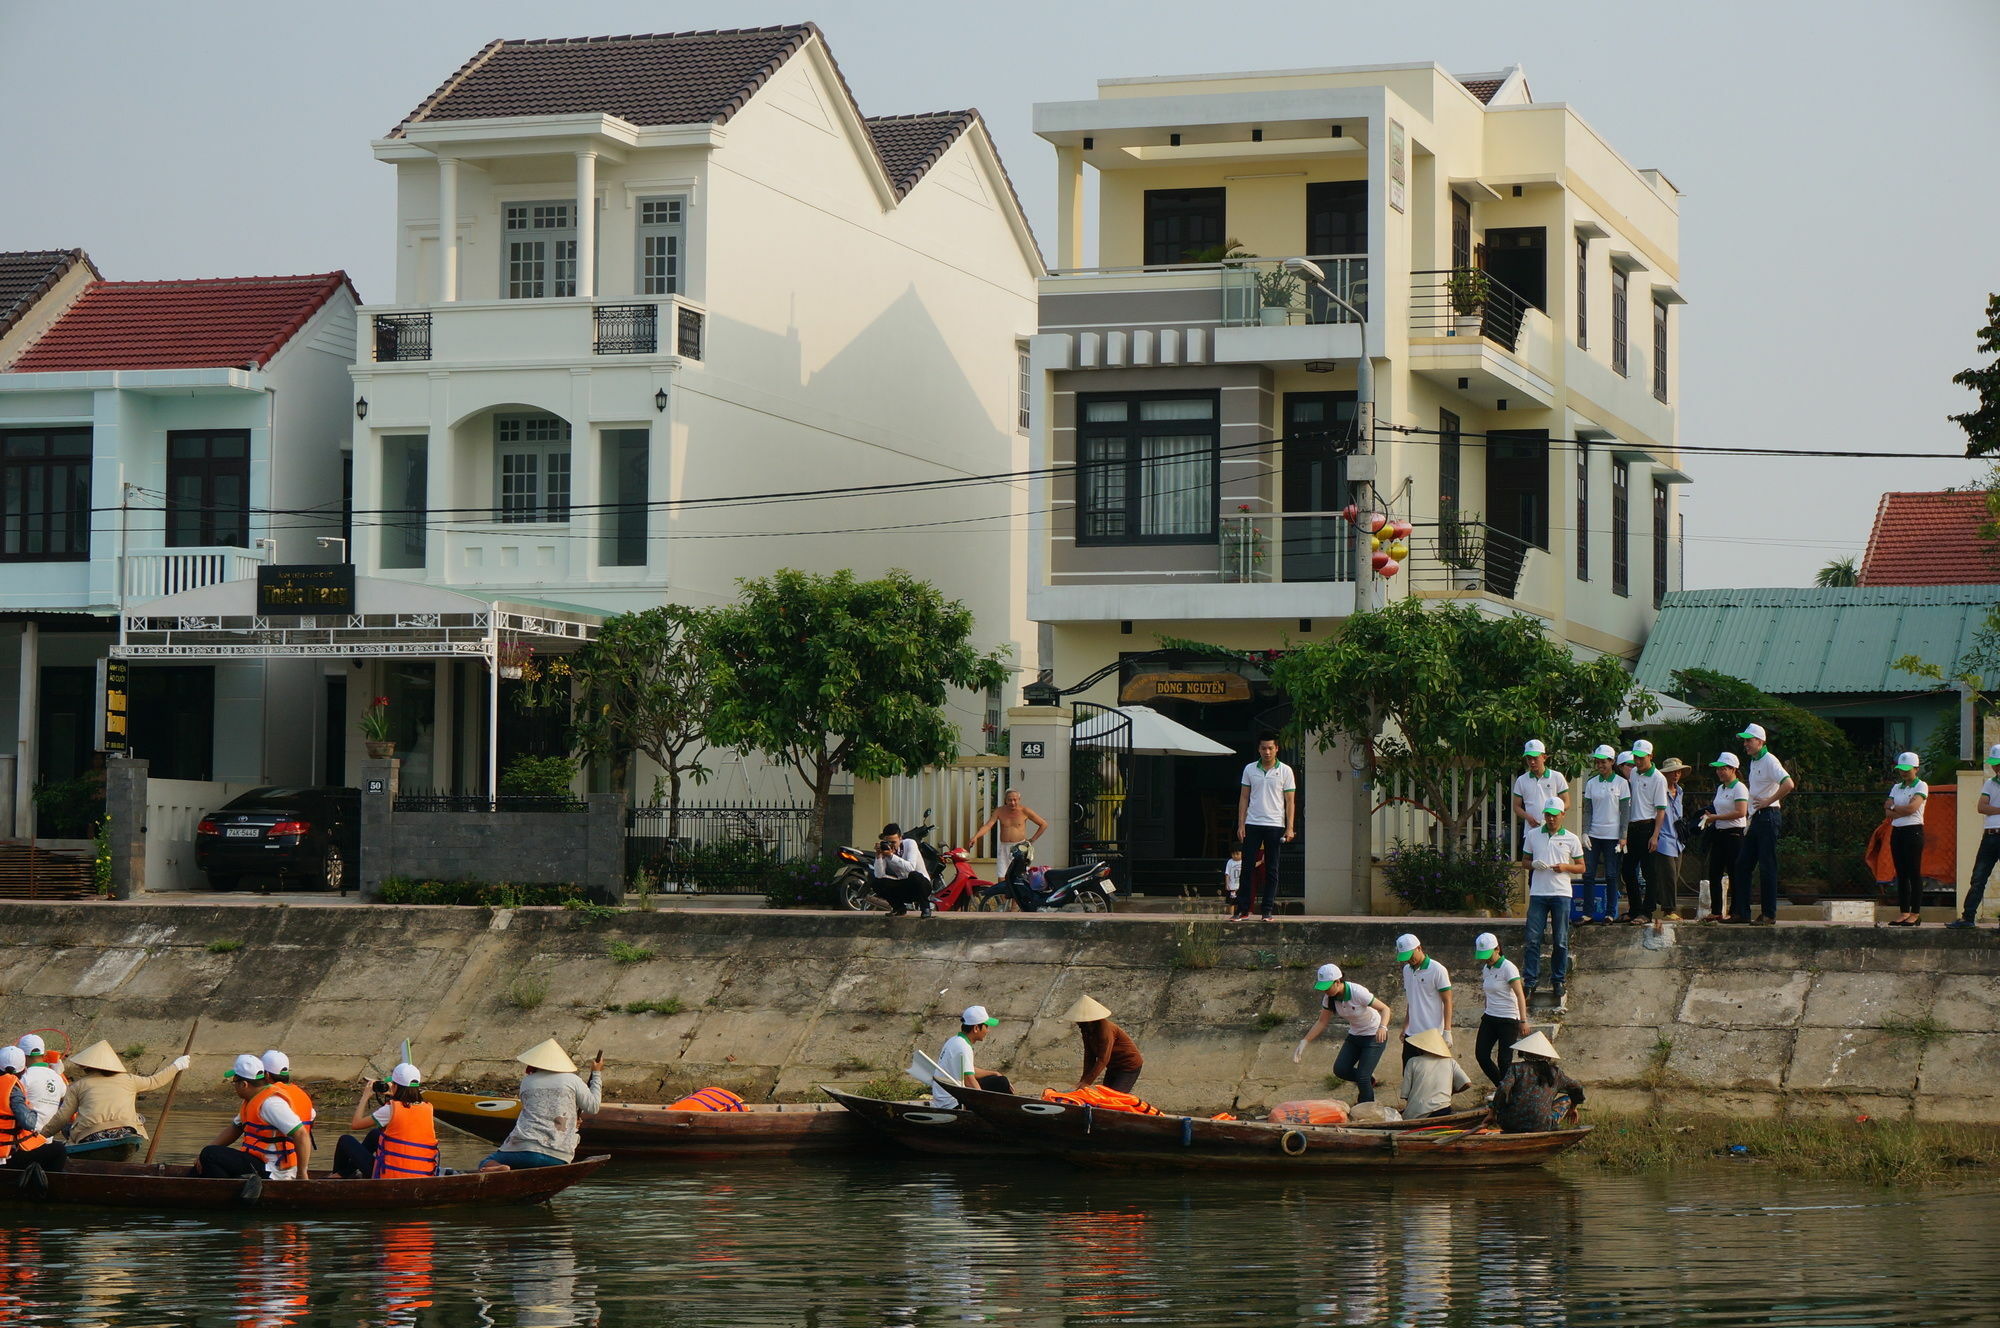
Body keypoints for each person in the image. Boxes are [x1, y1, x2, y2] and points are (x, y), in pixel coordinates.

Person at [478, 1040, 602, 1171]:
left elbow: (534, 1110)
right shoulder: (572, 1080)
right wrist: (597, 1073)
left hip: (521, 1150)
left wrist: (571, 1121)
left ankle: (499, 1167)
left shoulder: (527, 1082)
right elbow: (593, 1107)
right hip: (559, 1157)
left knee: (485, 1162)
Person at [45, 1041, 188, 1150]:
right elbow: (155, 1080)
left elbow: (62, 1117)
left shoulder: (78, 1086)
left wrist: (41, 1135)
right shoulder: (130, 1079)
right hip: (127, 1131)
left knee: (68, 1127)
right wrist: (176, 1066)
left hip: (90, 1137)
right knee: (138, 1118)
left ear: (87, 1066)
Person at [196, 1054, 314, 1181]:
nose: (234, 1087)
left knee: (210, 1155)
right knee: (206, 1157)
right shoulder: (253, 1100)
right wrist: (200, 1156)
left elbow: (301, 1134)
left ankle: (225, 1193)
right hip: (258, 1162)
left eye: (234, 1082)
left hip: (273, 1170)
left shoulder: (271, 1103)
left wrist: (302, 1174)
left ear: (244, 1084)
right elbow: (235, 1128)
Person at [1294, 963, 1392, 1103]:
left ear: (1338, 981)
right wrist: (1305, 1041)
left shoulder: (1357, 992)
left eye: (1327, 987)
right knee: (1340, 1069)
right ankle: (1369, 1079)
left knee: (1362, 1078)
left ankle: (1367, 1109)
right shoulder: (1329, 999)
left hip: (1374, 1035)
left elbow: (1385, 1009)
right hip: (1355, 1035)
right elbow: (1322, 1022)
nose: (1325, 991)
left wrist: (1383, 1027)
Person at [1521, 804, 1585, 1005]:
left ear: (1562, 815)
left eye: (1554, 816)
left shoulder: (1571, 838)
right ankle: (1530, 981)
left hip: (1561, 893)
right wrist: (1532, 864)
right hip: (1539, 892)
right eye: (1548, 815)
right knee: (1532, 939)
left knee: (1561, 939)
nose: (1551, 819)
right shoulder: (1533, 835)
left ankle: (1558, 979)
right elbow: (1524, 860)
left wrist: (1565, 867)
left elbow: (1582, 866)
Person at [1735, 723, 1796, 926]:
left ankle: (1769, 914)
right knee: (1743, 865)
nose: (1745, 744)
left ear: (1760, 741)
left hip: (1768, 816)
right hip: (1757, 817)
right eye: (1745, 740)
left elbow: (1788, 783)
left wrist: (1768, 801)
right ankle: (1741, 912)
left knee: (1767, 865)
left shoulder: (1769, 760)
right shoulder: (1754, 761)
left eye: (1749, 740)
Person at [335, 1063, 438, 1179]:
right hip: (423, 1172)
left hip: (391, 1175)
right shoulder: (427, 1108)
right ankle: (345, 1172)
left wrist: (365, 1097)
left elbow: (356, 1124)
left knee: (345, 1140)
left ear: (395, 1086)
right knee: (375, 1134)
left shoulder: (389, 1110)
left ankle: (338, 1177)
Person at [1396, 933, 1470, 1094]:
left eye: (1410, 955)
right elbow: (1412, 999)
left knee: (1435, 1075)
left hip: (1432, 1033)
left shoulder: (1437, 970)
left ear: (1419, 948)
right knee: (1409, 1073)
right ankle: (1412, 1108)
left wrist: (1447, 1031)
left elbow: (1448, 1001)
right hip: (1412, 1032)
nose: (1409, 960)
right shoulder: (1407, 971)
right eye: (1405, 957)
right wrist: (1405, 1026)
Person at [1233, 735, 1296, 922]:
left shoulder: (1285, 770)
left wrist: (1290, 827)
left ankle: (1267, 910)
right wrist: (1241, 823)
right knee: (1246, 867)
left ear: (1277, 748)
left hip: (1275, 824)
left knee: (1272, 868)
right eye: (1263, 748)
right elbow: (1244, 797)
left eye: (1270, 748)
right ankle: (1242, 909)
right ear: (1259, 749)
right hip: (1253, 822)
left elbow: (1290, 801)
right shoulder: (1250, 769)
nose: (1267, 752)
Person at [1491, 1032, 1587, 1133]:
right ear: (1547, 1056)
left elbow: (1502, 1089)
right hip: (1542, 1125)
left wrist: (1493, 1113)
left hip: (1510, 1123)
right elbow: (1577, 1087)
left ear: (1524, 1053)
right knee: (1567, 1099)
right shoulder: (1556, 1073)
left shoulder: (1515, 1068)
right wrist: (1573, 1107)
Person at [1948, 744, 2000, 929]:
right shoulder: (1990, 783)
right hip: (1990, 835)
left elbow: (1987, 807)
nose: (1997, 767)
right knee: (1978, 877)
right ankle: (1968, 917)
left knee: (1979, 877)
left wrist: (1993, 810)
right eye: (1995, 764)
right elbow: (1981, 807)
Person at [1576, 744, 1629, 925]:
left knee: (1611, 875)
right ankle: (1588, 913)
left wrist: (1623, 835)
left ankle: (1610, 913)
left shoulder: (1621, 783)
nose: (1600, 765)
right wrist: (1584, 832)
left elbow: (1625, 812)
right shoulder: (1591, 783)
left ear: (1612, 762)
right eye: (1597, 762)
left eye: (1603, 762)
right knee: (1588, 873)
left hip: (1612, 836)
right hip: (1594, 834)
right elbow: (1588, 811)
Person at [1472, 933, 1531, 1086]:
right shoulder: (1487, 968)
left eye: (1489, 954)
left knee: (1504, 1060)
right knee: (1481, 1055)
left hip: (1508, 1019)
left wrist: (1523, 1020)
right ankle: (1502, 1087)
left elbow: (1519, 994)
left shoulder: (1508, 968)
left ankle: (1507, 1093)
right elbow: (1488, 992)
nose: (1487, 959)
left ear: (1497, 949)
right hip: (1490, 1017)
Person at [1699, 753, 1750, 923]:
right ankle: (1716, 910)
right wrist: (1709, 817)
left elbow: (1741, 812)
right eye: (1718, 769)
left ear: (1733, 769)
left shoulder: (1739, 788)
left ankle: (1736, 911)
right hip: (1720, 833)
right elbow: (1719, 809)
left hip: (1735, 834)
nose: (1720, 772)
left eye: (1724, 768)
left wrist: (1716, 818)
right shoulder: (1721, 788)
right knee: (1714, 872)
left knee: (1735, 874)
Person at [1624, 741, 1668, 924]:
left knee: (1650, 871)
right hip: (1633, 828)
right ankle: (1634, 908)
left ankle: (1647, 911)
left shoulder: (1658, 778)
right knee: (1627, 869)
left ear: (1650, 756)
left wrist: (1655, 834)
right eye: (1636, 757)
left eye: (1642, 757)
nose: (1638, 761)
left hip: (1648, 826)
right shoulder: (1634, 773)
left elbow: (1661, 809)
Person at [932, 1006, 1011, 1107]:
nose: (988, 1031)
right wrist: (982, 1103)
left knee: (996, 1078)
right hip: (952, 1101)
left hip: (944, 1097)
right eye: (986, 1027)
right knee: (1001, 1082)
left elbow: (968, 1070)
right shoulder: (964, 1047)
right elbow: (969, 1080)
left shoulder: (954, 1040)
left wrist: (994, 1073)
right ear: (976, 1028)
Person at [1883, 752, 1929, 926]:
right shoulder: (1896, 787)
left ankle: (1915, 913)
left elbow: (1912, 808)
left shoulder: (1921, 786)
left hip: (1913, 831)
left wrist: (1894, 807)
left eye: (1907, 769)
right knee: (1901, 873)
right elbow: (1887, 812)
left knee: (1913, 873)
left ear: (1916, 769)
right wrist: (1895, 809)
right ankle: (1904, 911)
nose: (1903, 772)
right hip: (1898, 831)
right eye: (1900, 769)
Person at [0, 1047, 63, 1172]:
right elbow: (29, 1123)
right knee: (59, 1150)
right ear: (23, 1069)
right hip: (5, 1155)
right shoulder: (14, 1090)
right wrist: (31, 1109)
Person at [1066, 996, 1143, 1094]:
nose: (1079, 1024)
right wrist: (1082, 1080)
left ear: (1090, 1020)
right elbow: (1089, 1056)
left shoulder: (1105, 1030)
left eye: (1081, 1022)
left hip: (1128, 1066)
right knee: (1105, 1095)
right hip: (1113, 1066)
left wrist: (1087, 1082)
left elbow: (1103, 1059)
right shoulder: (1086, 1029)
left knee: (1115, 1097)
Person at [1511, 739, 1570, 852]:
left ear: (1544, 757)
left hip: (1553, 830)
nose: (1532, 762)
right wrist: (1528, 817)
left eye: (1535, 758)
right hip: (1531, 831)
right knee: (1533, 865)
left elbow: (1566, 802)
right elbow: (1516, 806)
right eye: (1529, 758)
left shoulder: (1557, 777)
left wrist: (1550, 816)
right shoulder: (1521, 780)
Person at [1649, 757, 1689, 922]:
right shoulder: (1659, 790)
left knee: (1674, 874)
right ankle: (1668, 909)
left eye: (1678, 772)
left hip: (1677, 839)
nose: (1676, 775)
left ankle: (1663, 901)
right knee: (1669, 875)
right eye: (1672, 772)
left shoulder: (1679, 791)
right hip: (1663, 837)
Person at [971, 790, 1047, 869]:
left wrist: (1032, 840)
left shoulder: (1025, 811)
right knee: (1002, 876)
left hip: (1020, 847)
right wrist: (976, 837)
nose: (1013, 802)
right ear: (1005, 800)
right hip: (1004, 847)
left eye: (1015, 800)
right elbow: (988, 825)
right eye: (1010, 800)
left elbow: (1043, 824)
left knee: (1019, 875)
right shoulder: (999, 811)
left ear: (1019, 800)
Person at [870, 822, 933, 919]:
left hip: (921, 886)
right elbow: (879, 875)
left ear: (900, 838)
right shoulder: (884, 849)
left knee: (914, 875)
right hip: (903, 886)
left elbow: (911, 867)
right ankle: (899, 908)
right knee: (875, 881)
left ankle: (926, 908)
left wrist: (891, 856)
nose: (891, 846)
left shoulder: (910, 843)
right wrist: (879, 856)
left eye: (893, 842)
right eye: (888, 842)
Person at [261, 1049, 316, 1148]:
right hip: (297, 1157)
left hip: (272, 1160)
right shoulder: (302, 1094)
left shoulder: (267, 1098)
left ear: (267, 1075)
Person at [1399, 1028, 1458, 1119]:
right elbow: (1467, 1083)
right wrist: (1450, 1093)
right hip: (1444, 1109)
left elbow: (1405, 1095)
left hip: (1418, 1113)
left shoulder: (1412, 1061)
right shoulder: (1450, 1061)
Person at [15, 1036, 66, 1137]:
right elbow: (68, 1099)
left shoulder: (24, 1077)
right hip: (48, 1138)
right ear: (43, 1053)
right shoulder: (57, 1077)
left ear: (22, 1055)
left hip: (26, 1141)